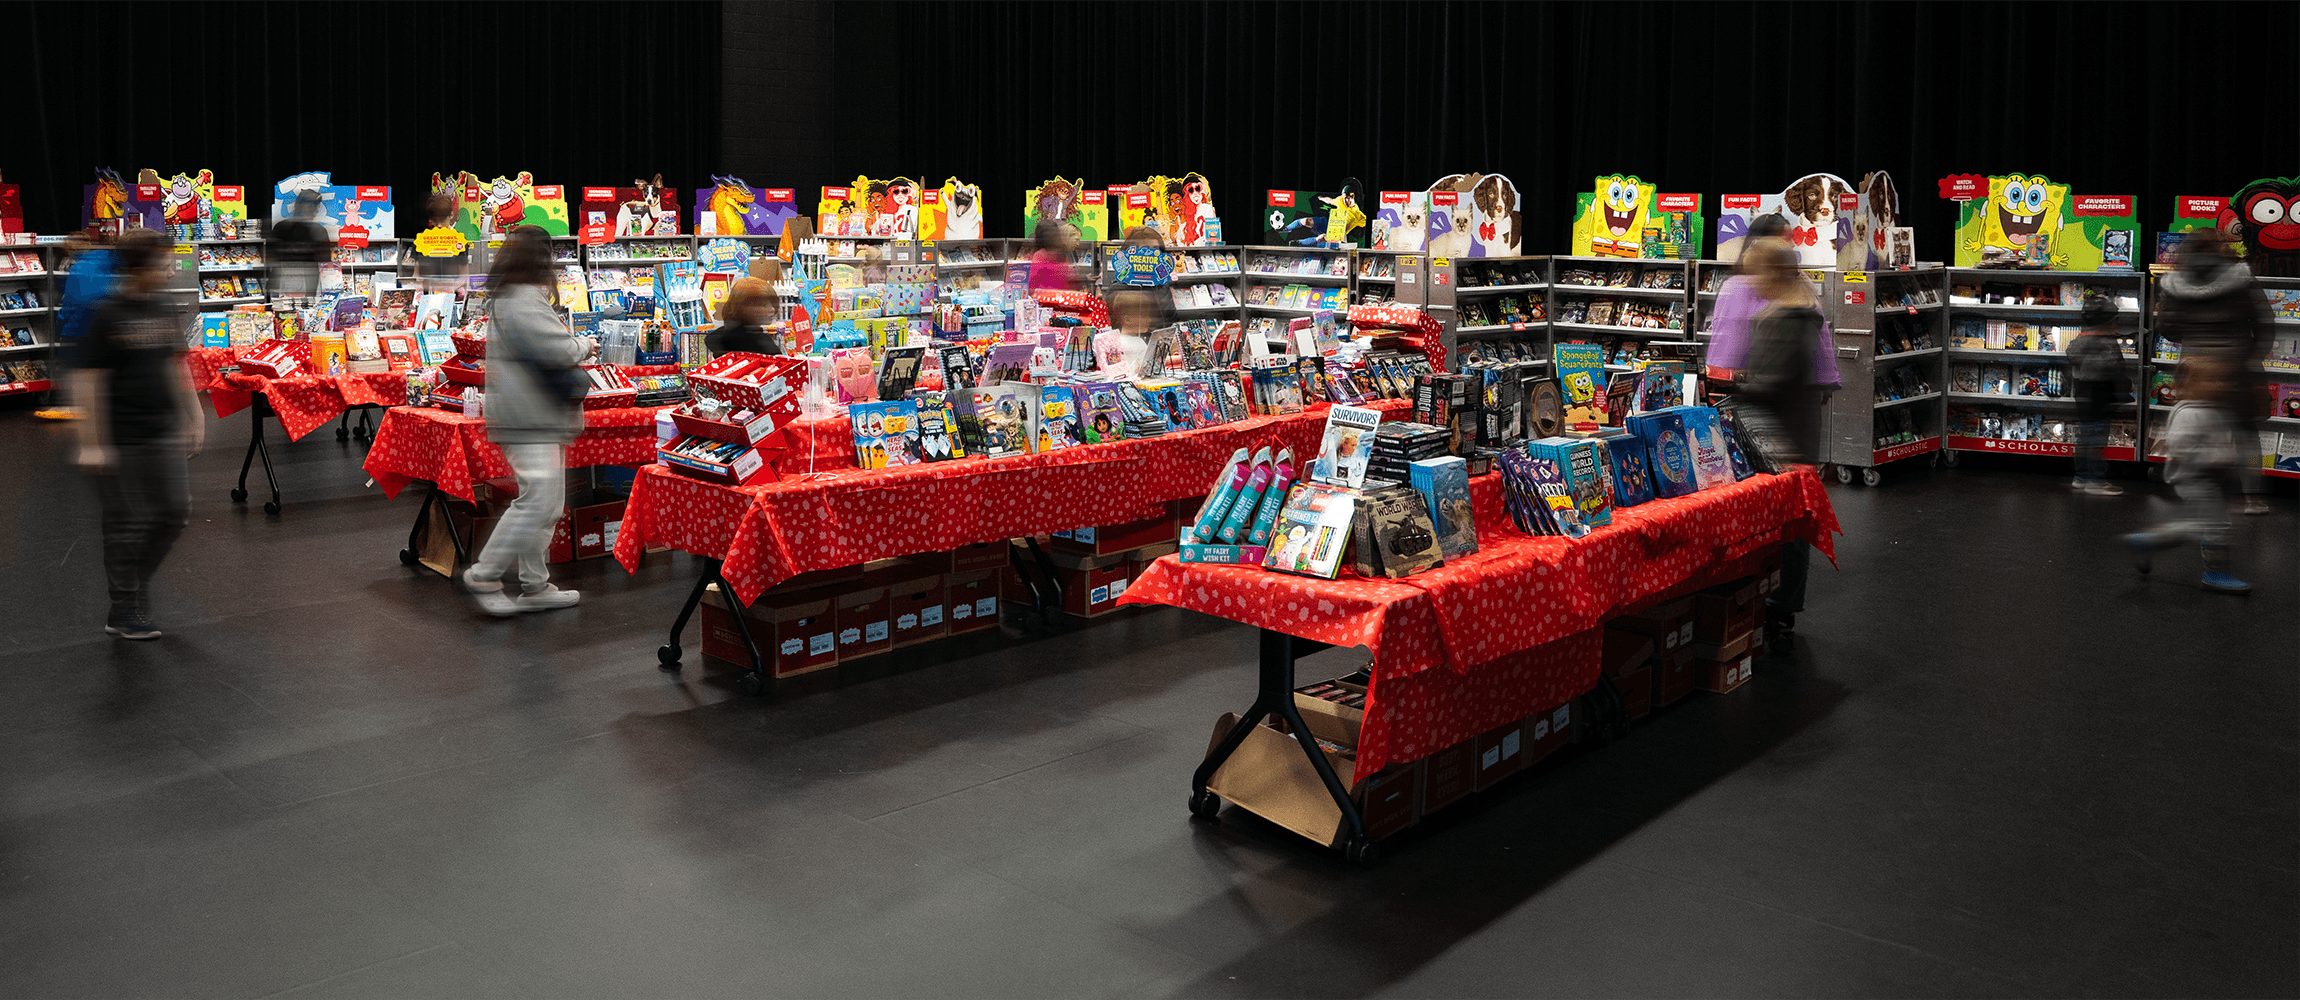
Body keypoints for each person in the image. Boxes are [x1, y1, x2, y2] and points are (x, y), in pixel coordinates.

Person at [73, 230, 203, 639]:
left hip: (161, 428)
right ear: (139, 268)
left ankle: (136, 583)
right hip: (120, 435)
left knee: (175, 511)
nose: (169, 271)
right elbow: (86, 381)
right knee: (124, 524)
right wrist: (92, 443)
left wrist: (194, 414)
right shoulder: (105, 314)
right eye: (163, 265)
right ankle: (124, 607)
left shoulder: (164, 307)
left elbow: (174, 364)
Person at [461, 225, 597, 616]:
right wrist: (586, 344)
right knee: (538, 501)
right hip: (530, 417)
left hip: (532, 415)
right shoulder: (523, 299)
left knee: (547, 503)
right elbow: (557, 350)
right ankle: (485, 573)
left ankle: (535, 585)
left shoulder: (510, 296)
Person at [1737, 240, 1825, 654]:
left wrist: (1733, 387)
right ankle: (1780, 606)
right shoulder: (1801, 308)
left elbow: (1771, 384)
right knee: (1792, 525)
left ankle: (1780, 607)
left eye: (1757, 273)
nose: (1752, 282)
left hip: (1783, 439)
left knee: (1790, 529)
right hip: (1795, 433)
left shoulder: (1785, 318)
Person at [2155, 229, 2275, 515]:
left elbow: (2168, 328)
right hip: (2237, 366)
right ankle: (2252, 498)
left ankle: (2202, 493)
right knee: (2246, 432)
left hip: (2196, 367)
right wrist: (2251, 354)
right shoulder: (2242, 277)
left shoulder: (2174, 281)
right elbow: (2264, 320)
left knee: (2198, 428)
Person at [2125, 355, 2251, 594]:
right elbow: (2181, 447)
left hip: (2208, 476)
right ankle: (2215, 573)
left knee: (2193, 526)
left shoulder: (2209, 408)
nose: (2220, 385)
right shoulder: (2189, 413)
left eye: (2221, 380)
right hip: (2195, 478)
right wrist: (2219, 457)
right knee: (2216, 524)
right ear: (2190, 384)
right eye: (2212, 380)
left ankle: (2144, 543)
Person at [39, 227, 118, 421]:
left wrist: (61, 323)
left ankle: (70, 406)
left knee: (73, 370)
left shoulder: (79, 267)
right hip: (110, 330)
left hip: (79, 328)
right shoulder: (111, 261)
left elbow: (73, 302)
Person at [2066, 292, 2126, 496]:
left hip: (2082, 396)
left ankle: (2081, 477)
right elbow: (2109, 370)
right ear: (2108, 322)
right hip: (2099, 396)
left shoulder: (2080, 340)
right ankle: (2094, 479)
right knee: (2096, 439)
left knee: (2085, 437)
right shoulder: (2105, 343)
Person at [268, 191, 330, 303]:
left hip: (298, 285)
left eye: (317, 207)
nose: (316, 211)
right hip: (300, 285)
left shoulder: (281, 227)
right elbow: (326, 263)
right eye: (315, 207)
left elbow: (271, 258)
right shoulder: (319, 231)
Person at [704, 277, 784, 357]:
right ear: (744, 307)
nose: (772, 309)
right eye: (763, 305)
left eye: (772, 303)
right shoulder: (760, 342)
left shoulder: (720, 336)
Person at [1025, 222, 1080, 292]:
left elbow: (1032, 283)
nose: (1077, 243)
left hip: (1045, 298)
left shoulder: (1040, 255)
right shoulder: (1063, 255)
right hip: (1061, 297)